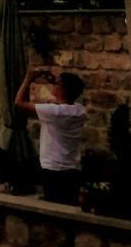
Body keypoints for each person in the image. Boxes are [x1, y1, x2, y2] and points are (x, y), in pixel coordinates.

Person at [14, 67, 87, 205]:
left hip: (53, 169)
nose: (53, 85)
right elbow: (56, 101)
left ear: (63, 90)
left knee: (55, 208)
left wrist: (28, 80)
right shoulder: (79, 110)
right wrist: (52, 78)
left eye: (57, 84)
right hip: (72, 168)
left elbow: (19, 103)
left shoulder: (54, 112)